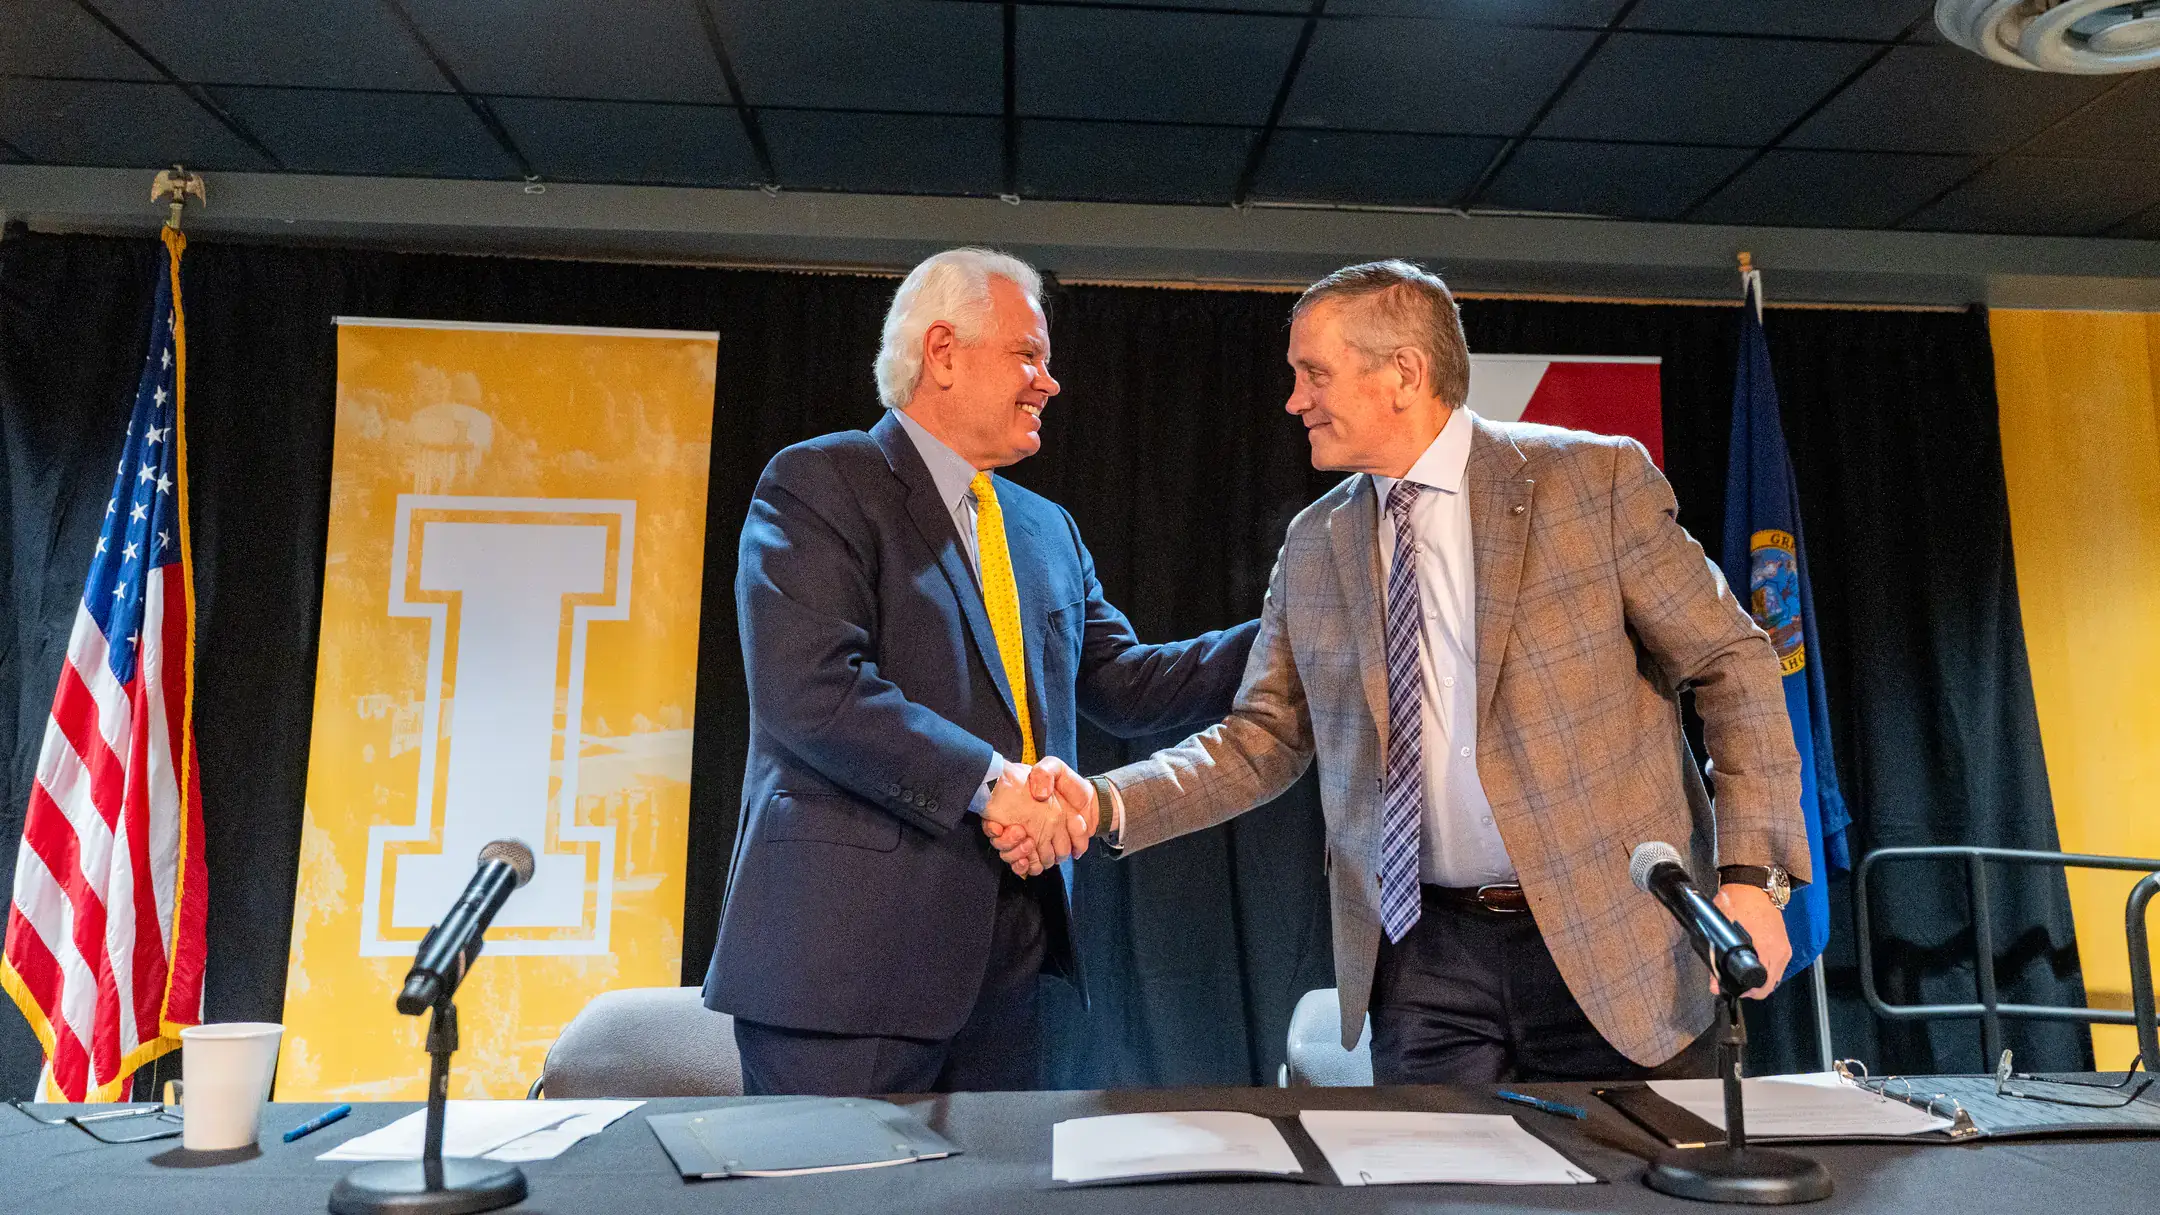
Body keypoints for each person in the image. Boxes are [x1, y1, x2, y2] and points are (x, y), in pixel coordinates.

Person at [1001, 260, 1807, 1084]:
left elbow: (1733, 661)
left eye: (1313, 373)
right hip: (1426, 959)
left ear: (1404, 373)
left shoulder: (1589, 481)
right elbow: (1262, 738)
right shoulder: (1316, 544)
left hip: (1616, 942)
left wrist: (1752, 876)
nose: (1293, 399)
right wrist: (1103, 801)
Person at [705, 247, 1258, 1096]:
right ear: (944, 352)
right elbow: (814, 689)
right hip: (845, 968)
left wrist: (1295, 634)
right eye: (1029, 355)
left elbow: (1126, 683)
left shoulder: (1046, 530)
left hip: (1009, 971)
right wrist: (992, 781)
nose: (1050, 382)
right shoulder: (821, 482)